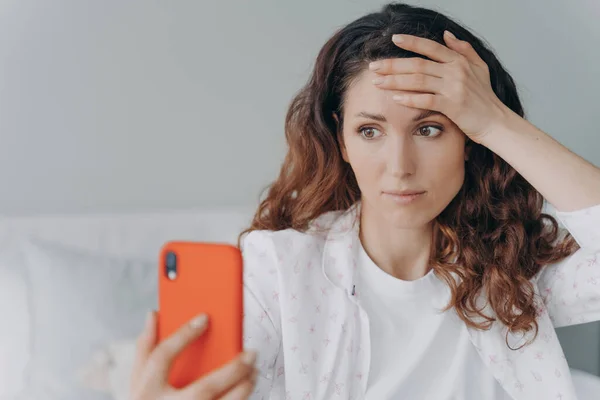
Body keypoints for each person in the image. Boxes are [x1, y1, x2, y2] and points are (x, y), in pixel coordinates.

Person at [129, 2, 600, 399]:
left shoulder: (517, 261)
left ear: (469, 141)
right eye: (370, 130)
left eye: (429, 128)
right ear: (342, 140)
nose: (399, 166)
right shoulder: (279, 270)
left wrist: (495, 121)